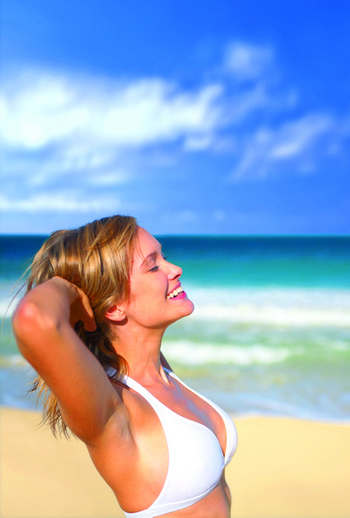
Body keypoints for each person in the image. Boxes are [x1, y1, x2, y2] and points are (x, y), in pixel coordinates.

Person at [12, 215, 237, 518]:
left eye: (164, 257)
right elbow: (33, 319)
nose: (175, 269)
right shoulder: (112, 408)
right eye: (153, 266)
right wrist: (66, 287)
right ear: (115, 306)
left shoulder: (158, 371)